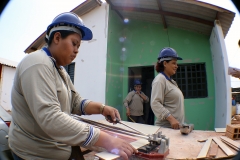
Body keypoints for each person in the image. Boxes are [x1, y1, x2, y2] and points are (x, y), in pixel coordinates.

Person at [8, 12, 137, 160]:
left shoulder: (60, 70)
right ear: (57, 38)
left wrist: (102, 108)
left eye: (78, 46)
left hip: (59, 149)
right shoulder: (37, 63)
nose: (77, 50)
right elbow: (51, 119)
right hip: (35, 155)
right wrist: (107, 140)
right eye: (74, 43)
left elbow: (75, 102)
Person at [151, 47, 185, 129]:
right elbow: (155, 103)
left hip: (175, 128)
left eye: (176, 63)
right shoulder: (160, 80)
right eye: (174, 63)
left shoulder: (172, 82)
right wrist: (171, 119)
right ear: (165, 63)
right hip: (166, 129)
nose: (176, 66)